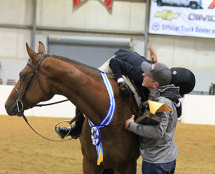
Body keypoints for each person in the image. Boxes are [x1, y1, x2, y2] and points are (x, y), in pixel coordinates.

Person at [55, 45, 195, 139]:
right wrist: (120, 81)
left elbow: (177, 111)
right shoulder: (143, 74)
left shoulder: (165, 85)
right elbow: (115, 63)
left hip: (134, 64)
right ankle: (76, 127)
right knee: (85, 89)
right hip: (117, 61)